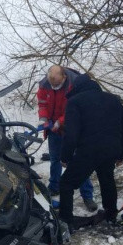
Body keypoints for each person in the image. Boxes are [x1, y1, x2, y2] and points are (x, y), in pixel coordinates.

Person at [59, 74, 123, 230]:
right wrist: (122, 154)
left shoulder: (75, 102)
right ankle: (111, 213)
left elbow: (71, 134)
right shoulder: (113, 99)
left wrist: (65, 156)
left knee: (66, 183)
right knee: (107, 179)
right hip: (111, 150)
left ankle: (65, 220)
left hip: (88, 150)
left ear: (77, 88)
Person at [37, 65, 97, 211]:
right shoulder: (45, 84)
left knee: (78, 162)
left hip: (73, 129)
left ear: (63, 77)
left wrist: (60, 122)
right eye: (51, 84)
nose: (53, 86)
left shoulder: (75, 86)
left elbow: (75, 109)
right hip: (53, 130)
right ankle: (54, 186)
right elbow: (42, 103)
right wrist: (43, 118)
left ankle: (87, 195)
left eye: (56, 84)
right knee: (54, 159)